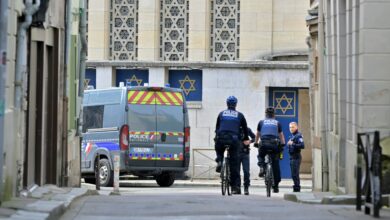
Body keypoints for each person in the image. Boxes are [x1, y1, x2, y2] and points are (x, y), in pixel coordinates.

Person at [215, 96, 250, 195]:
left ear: (227, 104)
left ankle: (219, 160)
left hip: (221, 137)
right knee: (234, 163)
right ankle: (234, 187)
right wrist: (245, 138)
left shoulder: (221, 113)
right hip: (234, 139)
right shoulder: (240, 115)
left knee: (218, 148)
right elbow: (245, 129)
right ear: (236, 104)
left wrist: (217, 136)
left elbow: (217, 127)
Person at [254, 107, 285, 193]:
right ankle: (276, 187)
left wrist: (256, 143)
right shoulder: (277, 123)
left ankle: (262, 167)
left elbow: (258, 134)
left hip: (264, 143)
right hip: (274, 144)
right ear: (274, 115)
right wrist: (283, 144)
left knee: (260, 156)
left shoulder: (261, 122)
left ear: (266, 114)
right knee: (275, 164)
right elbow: (281, 135)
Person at [287, 122, 305, 192]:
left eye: (293, 127)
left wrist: (293, 144)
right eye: (290, 127)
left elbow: (302, 145)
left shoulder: (298, 135)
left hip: (296, 157)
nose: (291, 129)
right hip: (292, 157)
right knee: (293, 174)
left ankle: (297, 188)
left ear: (296, 127)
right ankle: (295, 187)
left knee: (295, 174)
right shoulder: (292, 136)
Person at [238, 127, 255, 195]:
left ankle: (246, 187)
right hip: (235, 153)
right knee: (236, 171)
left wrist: (249, 141)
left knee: (246, 171)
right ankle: (237, 187)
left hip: (245, 153)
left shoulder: (247, 129)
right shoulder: (234, 128)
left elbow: (254, 138)